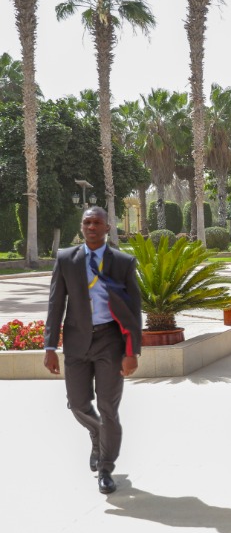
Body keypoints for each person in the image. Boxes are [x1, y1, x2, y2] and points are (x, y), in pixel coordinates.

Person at [44, 207, 141, 495]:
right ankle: (98, 434)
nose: (92, 227)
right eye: (87, 222)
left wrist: (132, 351)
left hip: (110, 341)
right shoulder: (66, 259)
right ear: (81, 226)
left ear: (108, 227)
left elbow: (133, 311)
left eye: (97, 222)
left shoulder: (123, 262)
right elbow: (55, 304)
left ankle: (105, 468)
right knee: (77, 404)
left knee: (108, 407)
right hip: (76, 343)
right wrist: (50, 346)